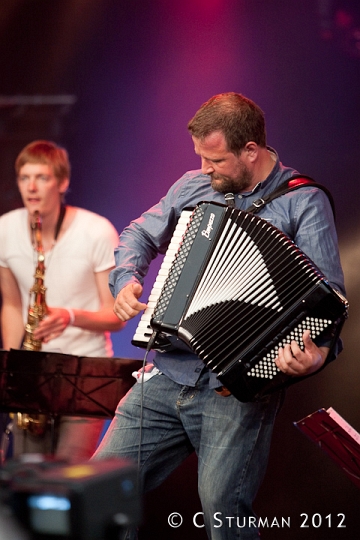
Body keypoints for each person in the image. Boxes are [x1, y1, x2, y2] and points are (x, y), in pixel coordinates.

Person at [93, 93, 345, 539]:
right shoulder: (193, 186)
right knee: (100, 493)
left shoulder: (303, 202)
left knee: (224, 515)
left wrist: (317, 355)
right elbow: (137, 233)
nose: (206, 170)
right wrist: (126, 280)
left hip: (233, 388)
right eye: (202, 159)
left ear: (252, 150)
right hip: (167, 371)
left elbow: (328, 302)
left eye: (217, 160)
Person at [0, 140, 125, 460]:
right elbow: (12, 305)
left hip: (86, 373)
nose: (31, 187)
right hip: (34, 376)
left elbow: (117, 316)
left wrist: (69, 316)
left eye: (41, 177)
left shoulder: (96, 231)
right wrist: (15, 371)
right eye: (24, 178)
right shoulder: (5, 229)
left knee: (68, 478)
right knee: (27, 476)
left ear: (63, 182)